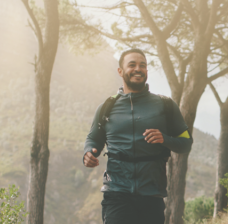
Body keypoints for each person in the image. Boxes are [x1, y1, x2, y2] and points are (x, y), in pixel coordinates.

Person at [83, 49, 193, 224]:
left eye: (142, 65)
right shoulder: (106, 107)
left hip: (152, 195)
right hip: (116, 194)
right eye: (132, 65)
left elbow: (186, 142)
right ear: (120, 71)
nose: (138, 69)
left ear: (147, 71)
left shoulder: (165, 105)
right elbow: (93, 138)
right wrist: (89, 152)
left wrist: (165, 139)